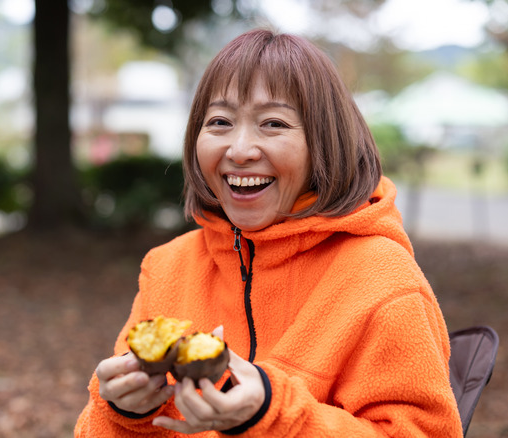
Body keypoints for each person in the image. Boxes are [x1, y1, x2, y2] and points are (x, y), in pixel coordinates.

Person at [75, 28, 463, 437]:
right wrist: (124, 413)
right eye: (220, 121)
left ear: (323, 142)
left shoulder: (382, 279)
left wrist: (273, 415)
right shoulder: (167, 267)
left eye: (273, 123)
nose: (240, 150)